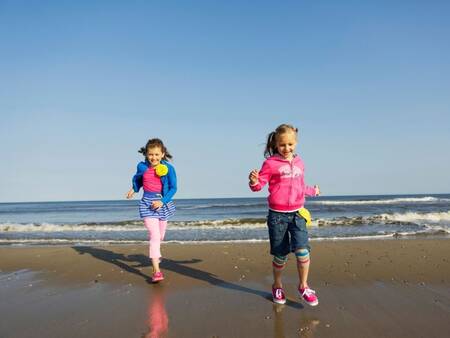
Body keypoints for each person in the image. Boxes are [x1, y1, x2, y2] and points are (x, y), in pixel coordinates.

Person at [248, 124, 320, 306]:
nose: (286, 148)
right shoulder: (270, 163)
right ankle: (277, 285)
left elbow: (300, 186)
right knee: (280, 256)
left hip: (298, 214)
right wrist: (254, 181)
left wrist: (312, 191)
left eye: (290, 144)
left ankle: (303, 286)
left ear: (295, 142)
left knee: (302, 251)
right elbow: (259, 186)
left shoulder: (300, 163)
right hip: (277, 217)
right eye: (282, 145)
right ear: (276, 144)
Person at [126, 138, 177, 283]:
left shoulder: (168, 168)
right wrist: (133, 190)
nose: (153, 157)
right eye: (150, 155)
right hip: (147, 203)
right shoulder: (142, 166)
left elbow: (173, 188)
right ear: (146, 155)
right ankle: (156, 270)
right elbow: (138, 180)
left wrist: (162, 201)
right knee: (154, 235)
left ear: (162, 154)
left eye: (156, 154)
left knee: (160, 236)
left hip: (163, 202)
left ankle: (156, 255)